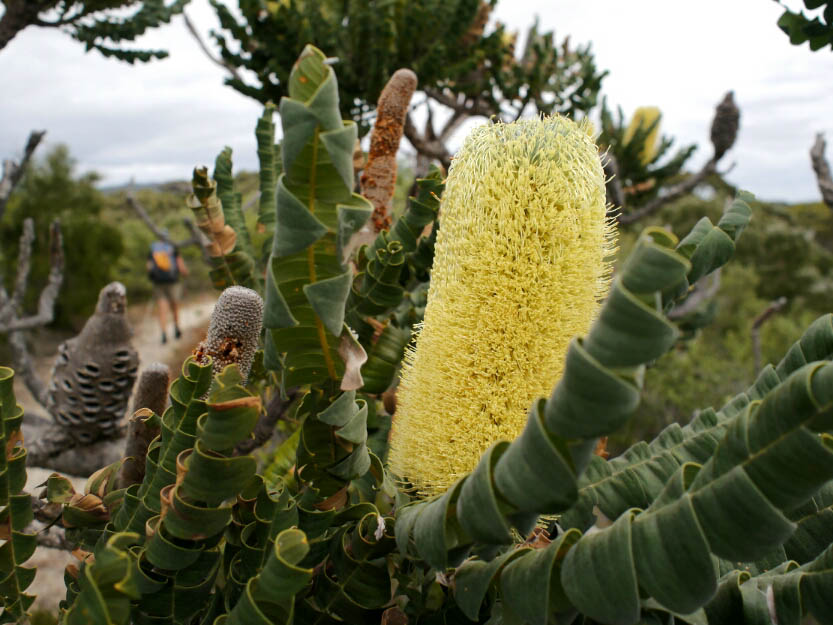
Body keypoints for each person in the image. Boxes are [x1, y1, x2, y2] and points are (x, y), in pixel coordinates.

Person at [147, 238, 189, 344]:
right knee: (174, 306)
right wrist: (185, 273)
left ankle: (164, 333)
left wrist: (153, 278)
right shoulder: (173, 248)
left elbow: (149, 267)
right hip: (173, 282)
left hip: (158, 283)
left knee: (162, 307)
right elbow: (181, 267)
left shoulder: (153, 249)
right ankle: (176, 328)